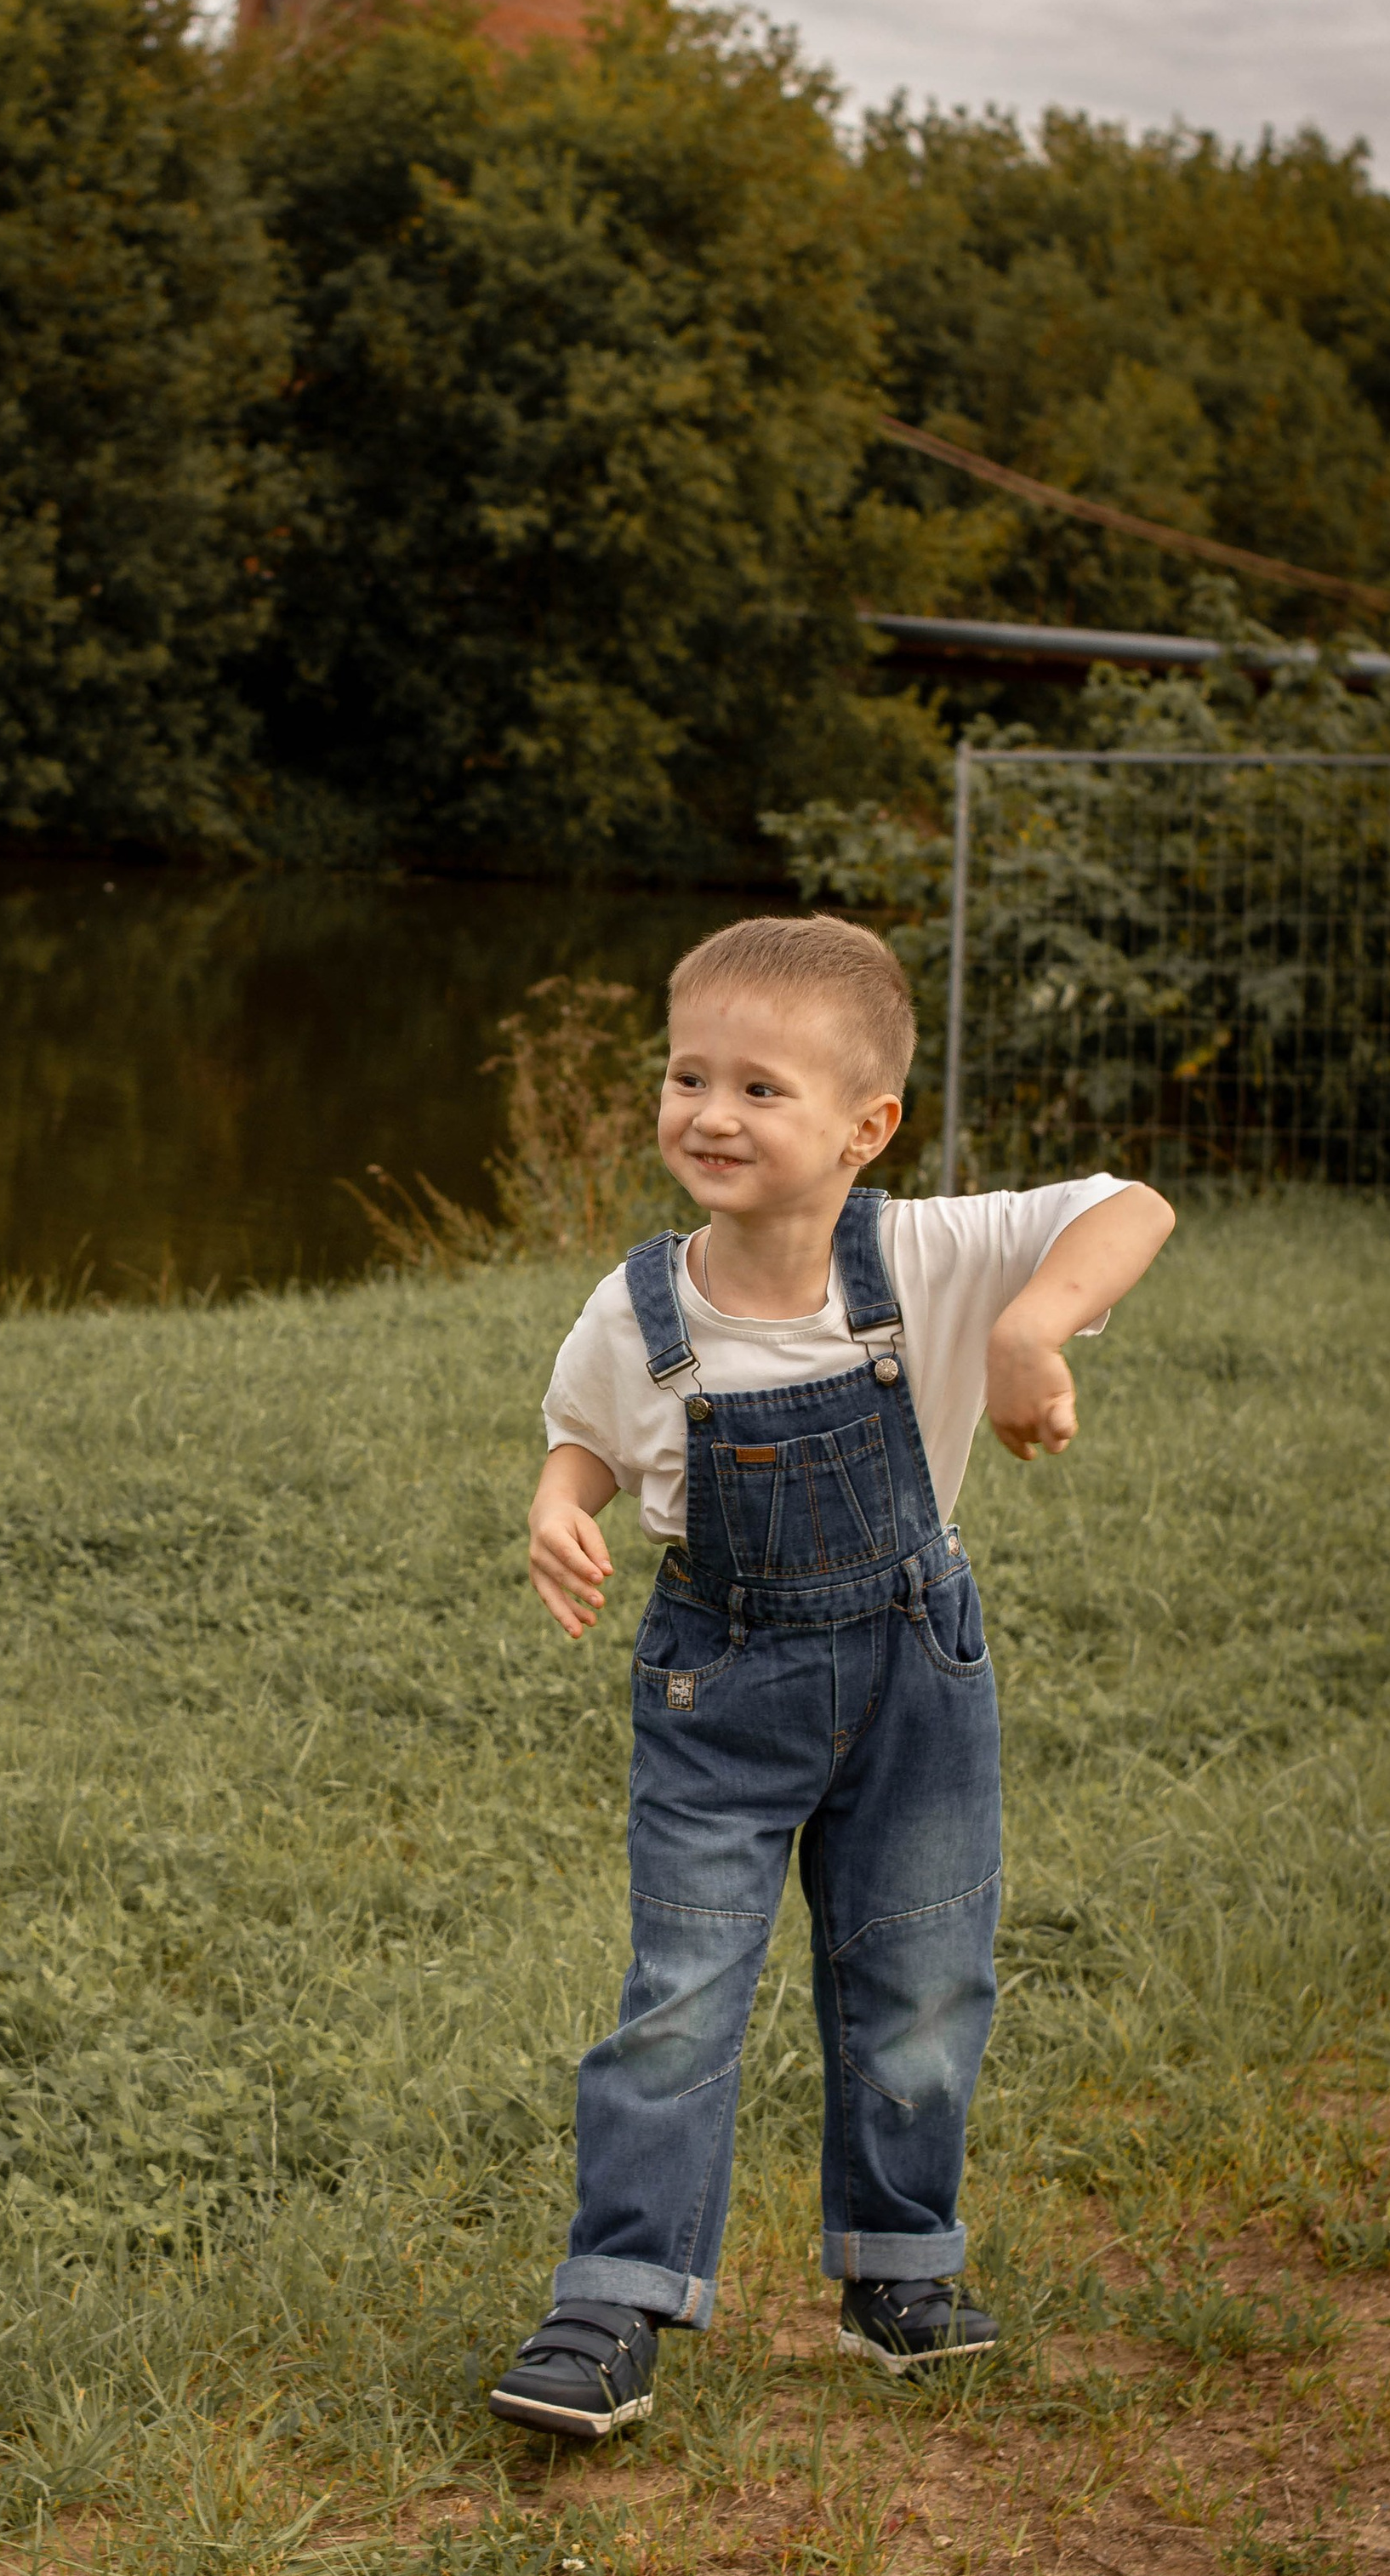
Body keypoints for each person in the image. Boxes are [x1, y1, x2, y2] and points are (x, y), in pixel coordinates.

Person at [487, 915, 1174, 2436]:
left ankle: (898, 2271)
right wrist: (557, 1508)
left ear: (867, 1128)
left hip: (917, 1680)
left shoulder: (926, 1256)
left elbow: (1133, 1204)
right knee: (679, 1993)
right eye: (687, 1077)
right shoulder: (643, 1304)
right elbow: (589, 1437)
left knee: (920, 1978)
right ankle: (613, 2303)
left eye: (759, 1090)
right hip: (717, 1694)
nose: (710, 1115)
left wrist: (1029, 1330)